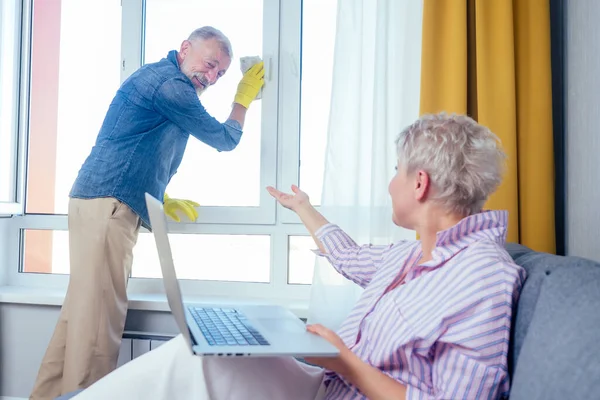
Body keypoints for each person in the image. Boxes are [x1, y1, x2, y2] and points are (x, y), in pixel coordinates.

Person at [69, 113, 525, 400]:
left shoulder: (483, 277)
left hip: (337, 387)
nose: (391, 185)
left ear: (419, 183)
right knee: (208, 356)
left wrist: (344, 359)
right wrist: (303, 207)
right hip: (323, 386)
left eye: (396, 173)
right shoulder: (411, 257)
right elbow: (348, 257)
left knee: (196, 363)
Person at [30, 26, 265, 400]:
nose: (212, 76)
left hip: (97, 202)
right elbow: (225, 139)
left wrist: (159, 192)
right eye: (209, 64)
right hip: (109, 207)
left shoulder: (161, 78)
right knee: (95, 331)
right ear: (185, 48)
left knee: (78, 321)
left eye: (220, 74)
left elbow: (140, 143)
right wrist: (243, 99)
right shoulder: (172, 86)